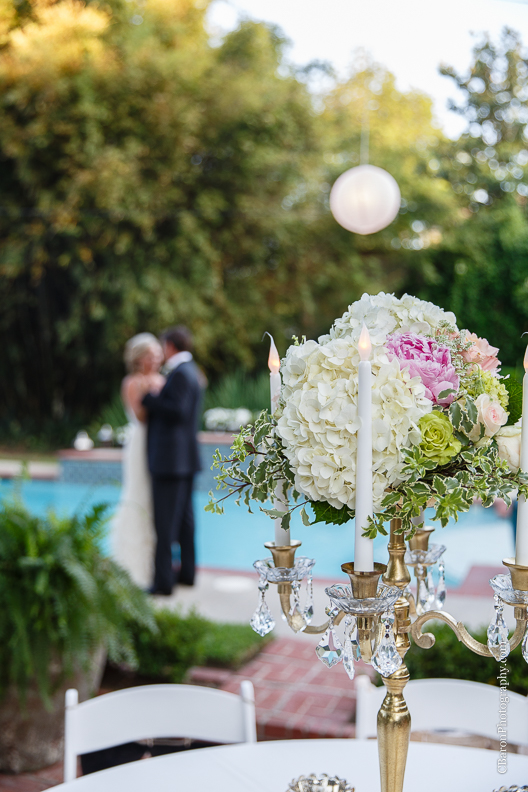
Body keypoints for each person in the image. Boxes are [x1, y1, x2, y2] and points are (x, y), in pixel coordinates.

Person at [142, 326, 203, 595]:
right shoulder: (192, 372)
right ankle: (187, 573)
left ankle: (163, 582)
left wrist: (150, 401)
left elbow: (177, 411)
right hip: (184, 460)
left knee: (165, 523)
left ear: (169, 346)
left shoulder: (180, 373)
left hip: (171, 461)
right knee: (185, 521)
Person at [112, 334, 165, 588]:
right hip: (139, 444)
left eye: (158, 354)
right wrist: (151, 395)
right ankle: (132, 564)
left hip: (159, 443)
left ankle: (156, 562)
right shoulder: (131, 382)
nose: (156, 359)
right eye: (150, 354)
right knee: (137, 495)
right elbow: (140, 415)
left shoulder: (163, 380)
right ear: (139, 358)